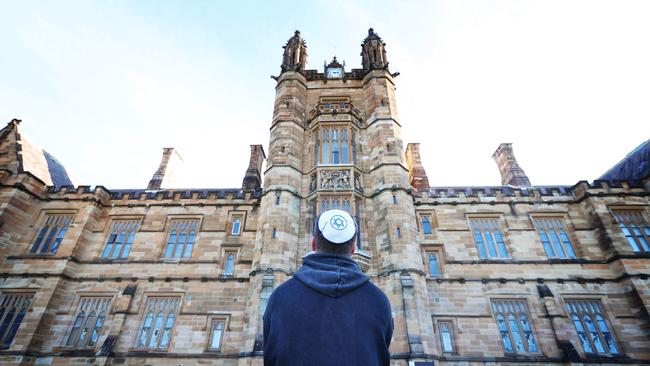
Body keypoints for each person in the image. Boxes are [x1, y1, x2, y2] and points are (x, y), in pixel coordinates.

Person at [263, 209, 393, 366]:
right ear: (353, 249)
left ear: (313, 244)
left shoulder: (280, 297)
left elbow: (270, 355)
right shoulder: (378, 300)